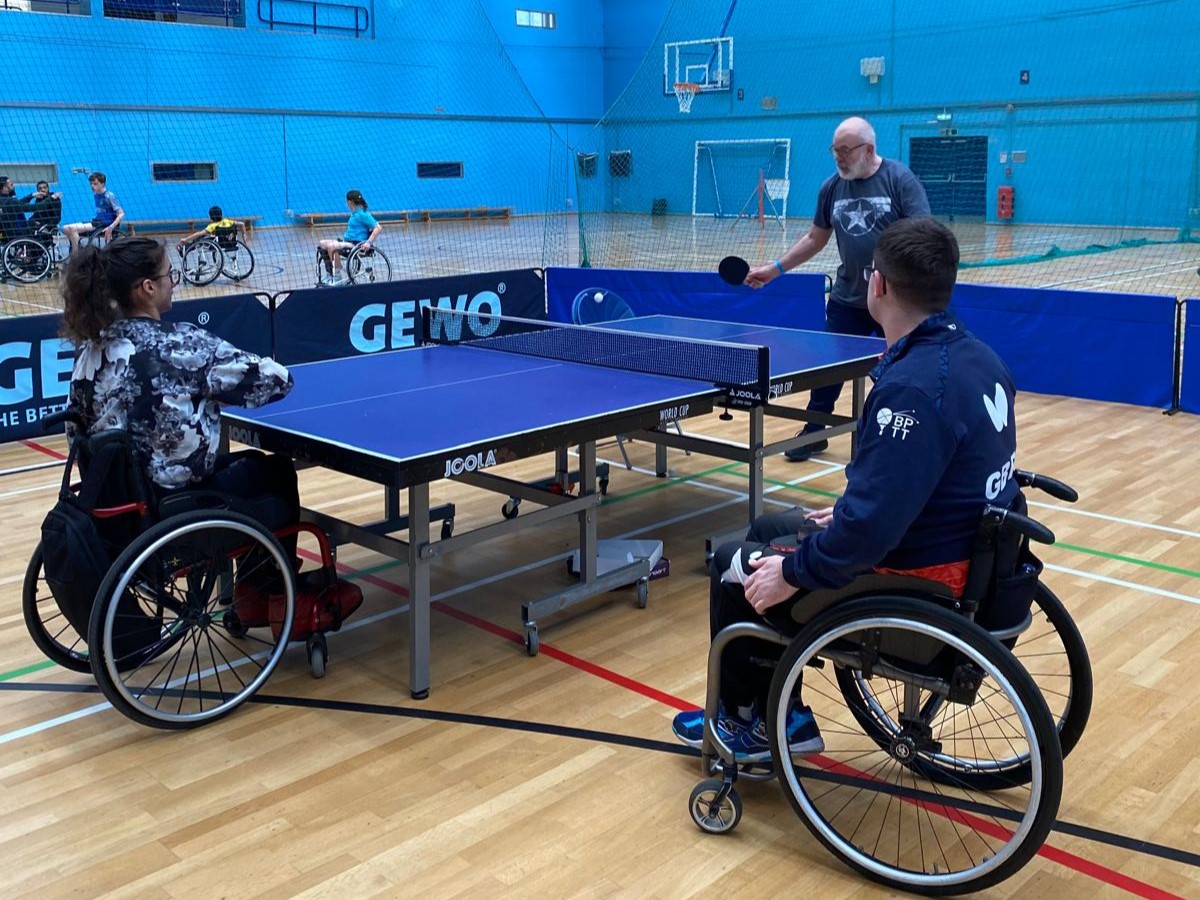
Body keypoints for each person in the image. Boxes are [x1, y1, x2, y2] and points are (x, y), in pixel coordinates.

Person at [673, 217, 1019, 761]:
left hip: (915, 575)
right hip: (958, 548)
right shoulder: (981, 358)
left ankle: (755, 722)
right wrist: (852, 516)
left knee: (734, 564)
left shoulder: (911, 390)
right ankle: (783, 709)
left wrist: (793, 571)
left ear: (875, 285)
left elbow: (870, 532)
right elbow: (931, 480)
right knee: (770, 526)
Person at [60, 237, 301, 590]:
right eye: (169, 274)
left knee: (247, 463)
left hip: (117, 501)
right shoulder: (180, 345)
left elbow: (74, 429)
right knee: (276, 470)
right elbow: (278, 381)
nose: (174, 281)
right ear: (147, 288)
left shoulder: (91, 350)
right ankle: (267, 591)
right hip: (174, 502)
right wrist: (215, 393)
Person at [746, 116, 931, 462]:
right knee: (828, 367)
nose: (839, 157)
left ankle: (903, 435)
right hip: (847, 298)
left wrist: (900, 281)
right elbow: (816, 238)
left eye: (846, 150)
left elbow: (922, 235)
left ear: (869, 149)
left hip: (893, 300)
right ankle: (815, 430)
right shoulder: (831, 187)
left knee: (900, 369)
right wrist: (775, 269)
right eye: (835, 150)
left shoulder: (899, 180)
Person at [317, 189, 382, 286]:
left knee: (332, 247)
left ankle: (337, 277)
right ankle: (330, 274)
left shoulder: (363, 214)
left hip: (355, 244)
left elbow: (378, 228)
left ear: (350, 202)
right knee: (322, 243)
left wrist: (369, 243)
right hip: (347, 242)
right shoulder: (355, 213)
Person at [63, 171, 124, 253]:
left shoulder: (109, 195)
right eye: (91, 184)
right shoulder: (96, 193)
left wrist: (111, 227)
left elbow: (121, 214)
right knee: (65, 228)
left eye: (95, 184)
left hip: (104, 224)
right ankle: (79, 248)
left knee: (73, 229)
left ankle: (76, 255)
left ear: (102, 184)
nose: (92, 186)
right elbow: (90, 175)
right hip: (97, 221)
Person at [177, 205, 244, 250]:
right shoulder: (228, 221)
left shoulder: (212, 226)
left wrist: (186, 239)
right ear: (221, 214)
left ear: (211, 217)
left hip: (218, 245)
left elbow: (199, 233)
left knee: (199, 238)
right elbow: (242, 224)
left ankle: (186, 248)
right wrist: (244, 235)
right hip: (231, 243)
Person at [0, 176, 34, 240]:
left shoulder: (7, 199)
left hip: (4, 232)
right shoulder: (8, 200)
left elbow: (18, 205)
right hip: (11, 232)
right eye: (11, 184)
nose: (13, 184)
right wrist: (50, 199)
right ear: (4, 187)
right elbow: (26, 207)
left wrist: (32, 196)